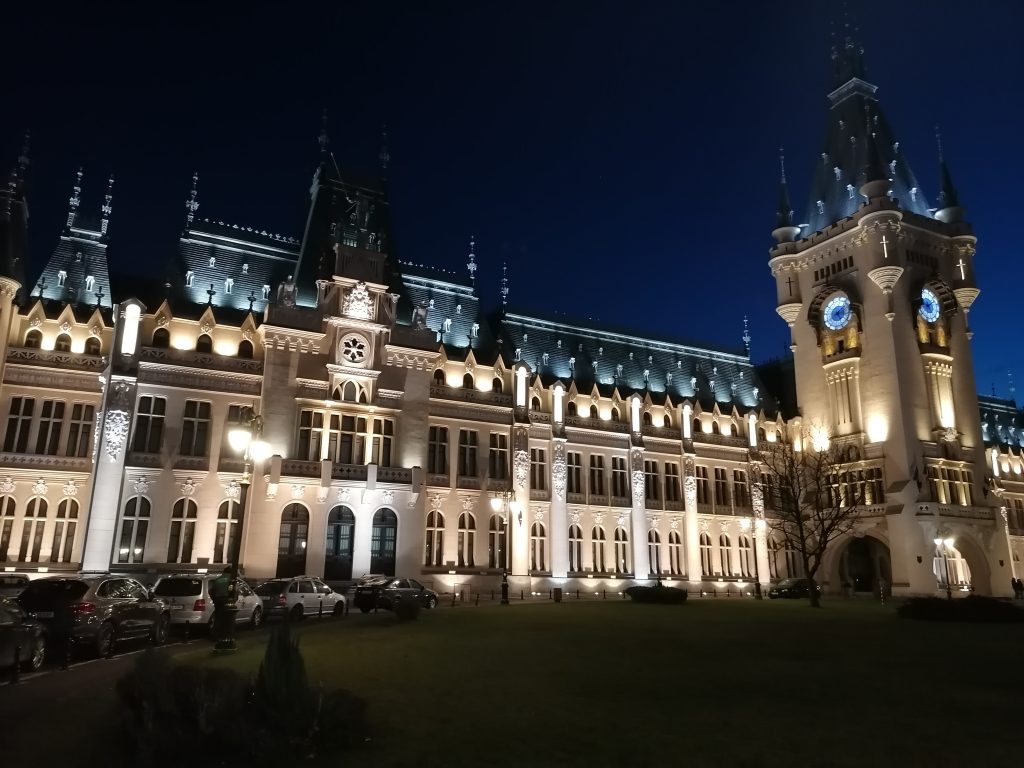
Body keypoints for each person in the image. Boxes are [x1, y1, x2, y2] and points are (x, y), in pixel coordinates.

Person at [209, 567, 233, 640]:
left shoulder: (217, 579)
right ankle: (225, 636)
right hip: (226, 600)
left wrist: (214, 599)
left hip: (217, 600)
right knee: (227, 618)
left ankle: (215, 636)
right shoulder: (231, 579)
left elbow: (211, 591)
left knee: (218, 618)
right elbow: (234, 590)